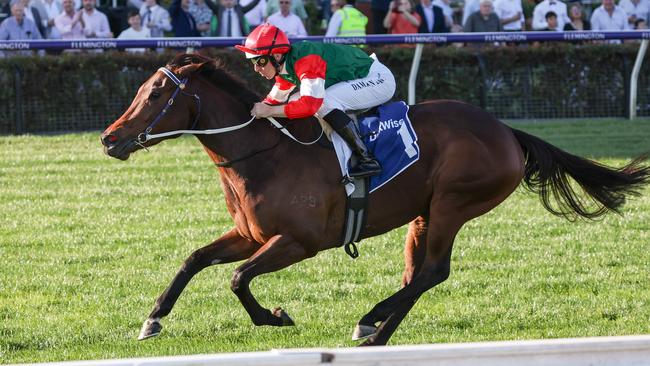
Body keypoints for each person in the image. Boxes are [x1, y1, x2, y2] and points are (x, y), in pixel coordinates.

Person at [235, 24, 396, 178]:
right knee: (296, 99)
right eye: (253, 62)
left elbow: (310, 105)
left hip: (378, 79)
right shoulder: (287, 64)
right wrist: (258, 110)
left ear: (276, 55)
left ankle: (366, 159)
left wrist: (269, 111)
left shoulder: (306, 59)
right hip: (363, 77)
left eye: (260, 61)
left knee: (323, 102)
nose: (256, 68)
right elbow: (273, 100)